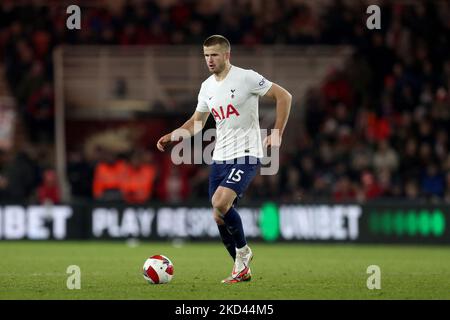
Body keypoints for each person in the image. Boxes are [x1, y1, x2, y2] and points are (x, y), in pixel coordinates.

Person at [156, 35, 292, 283]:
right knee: (218, 215)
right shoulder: (207, 87)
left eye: (214, 55)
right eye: (206, 55)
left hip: (247, 154)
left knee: (220, 201)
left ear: (227, 55)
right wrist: (173, 135)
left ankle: (244, 252)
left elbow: (284, 97)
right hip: (220, 157)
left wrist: (277, 133)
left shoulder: (246, 77)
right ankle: (241, 269)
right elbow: (197, 123)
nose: (209, 59)